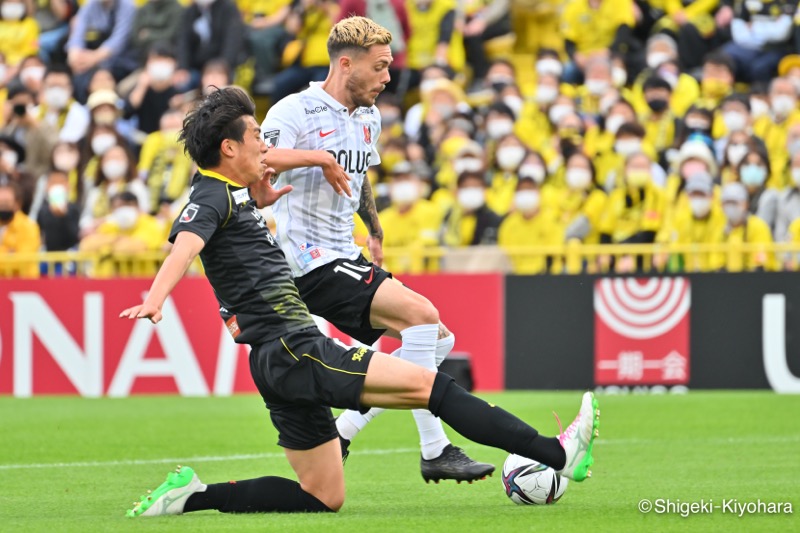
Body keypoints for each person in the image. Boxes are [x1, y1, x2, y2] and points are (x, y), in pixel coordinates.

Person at [120, 86, 600, 517]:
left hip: (274, 362)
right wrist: (155, 299)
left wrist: (258, 204)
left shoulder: (233, 195)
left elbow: (231, 249)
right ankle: (559, 455)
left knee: (322, 495)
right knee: (433, 388)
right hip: (296, 349)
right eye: (255, 139)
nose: (265, 146)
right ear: (229, 148)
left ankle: (193, 496)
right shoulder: (210, 198)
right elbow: (185, 244)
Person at [261, 16, 495, 483]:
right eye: (380, 67)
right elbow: (259, 160)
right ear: (346, 64)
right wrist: (318, 157)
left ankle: (342, 433)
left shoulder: (368, 115)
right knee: (422, 317)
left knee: (437, 340)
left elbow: (360, 176)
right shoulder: (295, 111)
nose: (389, 78)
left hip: (344, 252)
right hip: (307, 260)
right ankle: (436, 448)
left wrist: (375, 228)